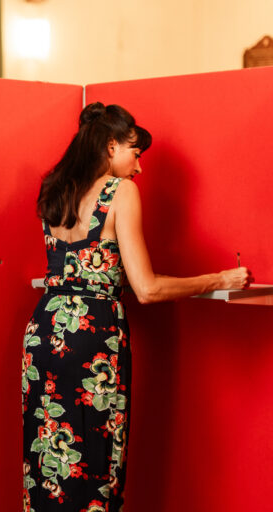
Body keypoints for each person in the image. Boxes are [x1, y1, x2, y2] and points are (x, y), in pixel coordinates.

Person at [21, 103, 252, 511]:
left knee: (49, 462)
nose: (139, 167)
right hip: (92, 338)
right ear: (110, 146)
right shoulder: (119, 191)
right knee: (97, 460)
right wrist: (218, 279)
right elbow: (145, 288)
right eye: (135, 153)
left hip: (45, 332)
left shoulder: (55, 189)